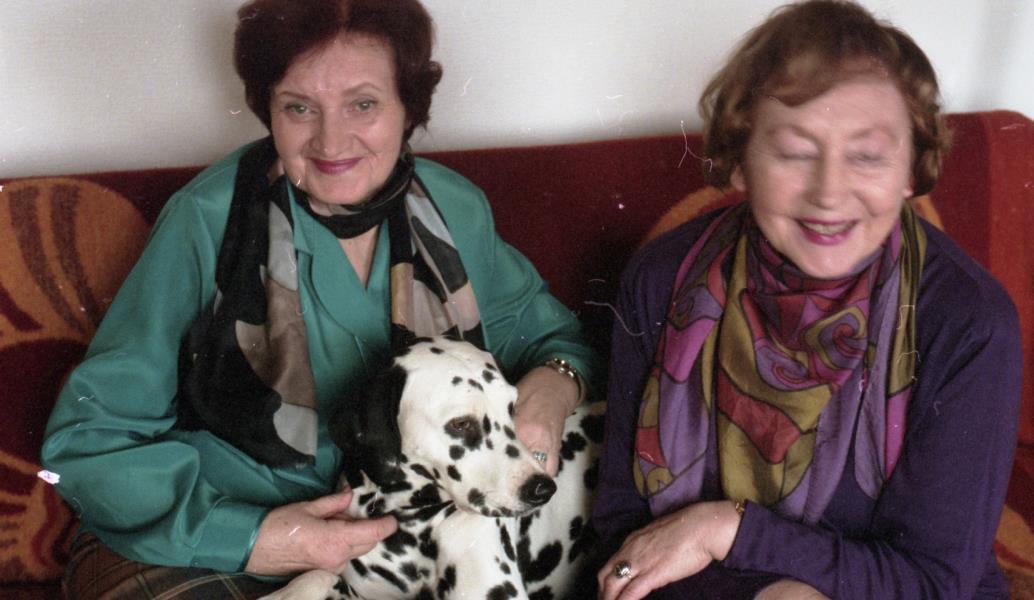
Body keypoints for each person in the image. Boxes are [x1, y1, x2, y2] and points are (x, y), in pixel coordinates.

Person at [41, 0, 593, 597]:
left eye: (363, 104)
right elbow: (88, 440)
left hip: (398, 547)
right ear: (268, 110)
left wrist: (555, 386)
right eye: (299, 107)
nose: (331, 140)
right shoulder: (207, 220)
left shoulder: (455, 210)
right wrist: (254, 536)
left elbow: (556, 341)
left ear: (409, 106)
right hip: (203, 538)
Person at [592, 1, 1021, 599]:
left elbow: (932, 581)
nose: (828, 192)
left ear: (911, 170)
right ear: (740, 161)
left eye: (867, 155)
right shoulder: (660, 277)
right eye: (795, 152)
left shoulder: (968, 319)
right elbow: (623, 529)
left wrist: (728, 530)